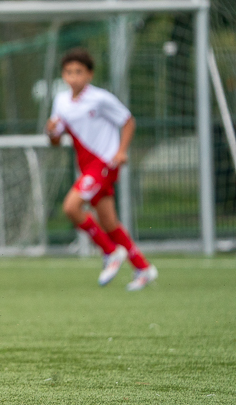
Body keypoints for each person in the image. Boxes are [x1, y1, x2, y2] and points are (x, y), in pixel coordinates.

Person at [46, 47, 157, 290]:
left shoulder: (100, 98)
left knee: (71, 207)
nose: (73, 77)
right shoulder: (61, 101)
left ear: (90, 74)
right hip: (87, 167)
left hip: (104, 163)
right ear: (63, 75)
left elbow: (128, 120)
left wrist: (121, 151)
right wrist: (51, 131)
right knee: (109, 223)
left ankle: (110, 251)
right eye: (68, 72)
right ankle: (143, 268)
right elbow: (56, 140)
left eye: (78, 72)